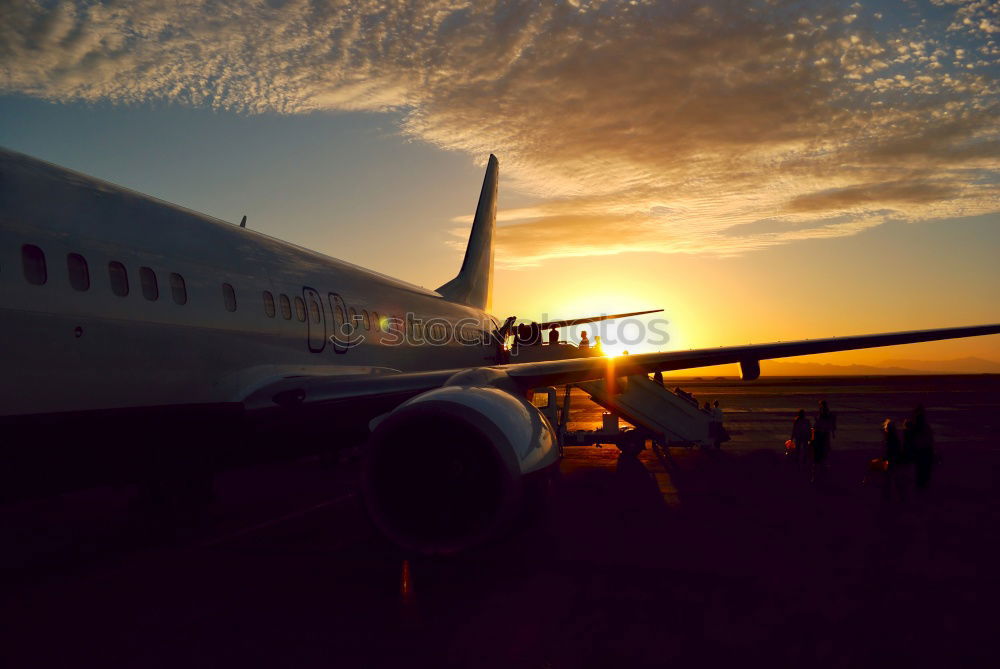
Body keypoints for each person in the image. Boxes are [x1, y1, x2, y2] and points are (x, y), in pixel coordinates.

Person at [904, 405, 935, 490]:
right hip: (924, 449)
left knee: (921, 470)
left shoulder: (918, 425)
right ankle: (922, 486)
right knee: (923, 470)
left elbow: (912, 436)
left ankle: (921, 486)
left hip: (922, 450)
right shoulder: (923, 426)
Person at [881, 418, 906, 501]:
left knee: (891, 478)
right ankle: (900, 495)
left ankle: (889, 495)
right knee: (895, 479)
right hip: (894, 460)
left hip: (892, 461)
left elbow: (891, 451)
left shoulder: (890, 439)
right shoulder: (894, 438)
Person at [811, 400, 835, 479]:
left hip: (820, 434)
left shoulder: (822, 414)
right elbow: (831, 424)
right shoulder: (827, 414)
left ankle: (816, 472)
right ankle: (822, 468)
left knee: (818, 453)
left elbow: (819, 424)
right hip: (824, 433)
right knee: (824, 451)